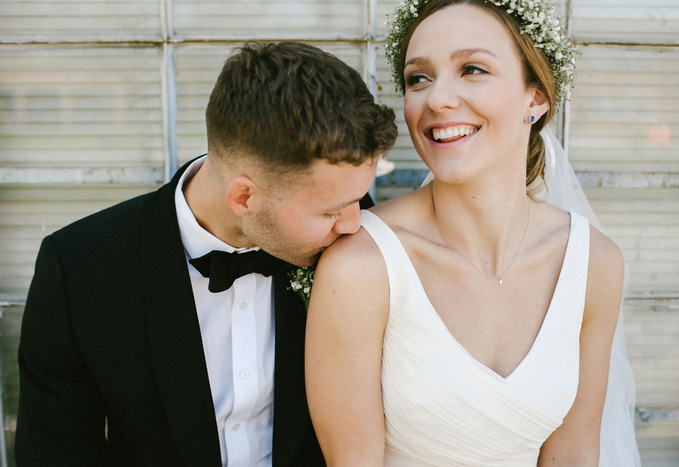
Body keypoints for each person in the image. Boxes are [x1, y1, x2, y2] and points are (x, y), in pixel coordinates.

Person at [15, 41, 397, 466]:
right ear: (244, 197)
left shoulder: (361, 251)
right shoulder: (78, 269)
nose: (354, 223)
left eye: (357, 198)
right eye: (330, 210)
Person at [305, 0, 640, 465]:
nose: (437, 99)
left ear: (536, 98)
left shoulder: (594, 263)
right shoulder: (362, 266)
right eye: (418, 78)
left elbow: (575, 451)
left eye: (473, 69)